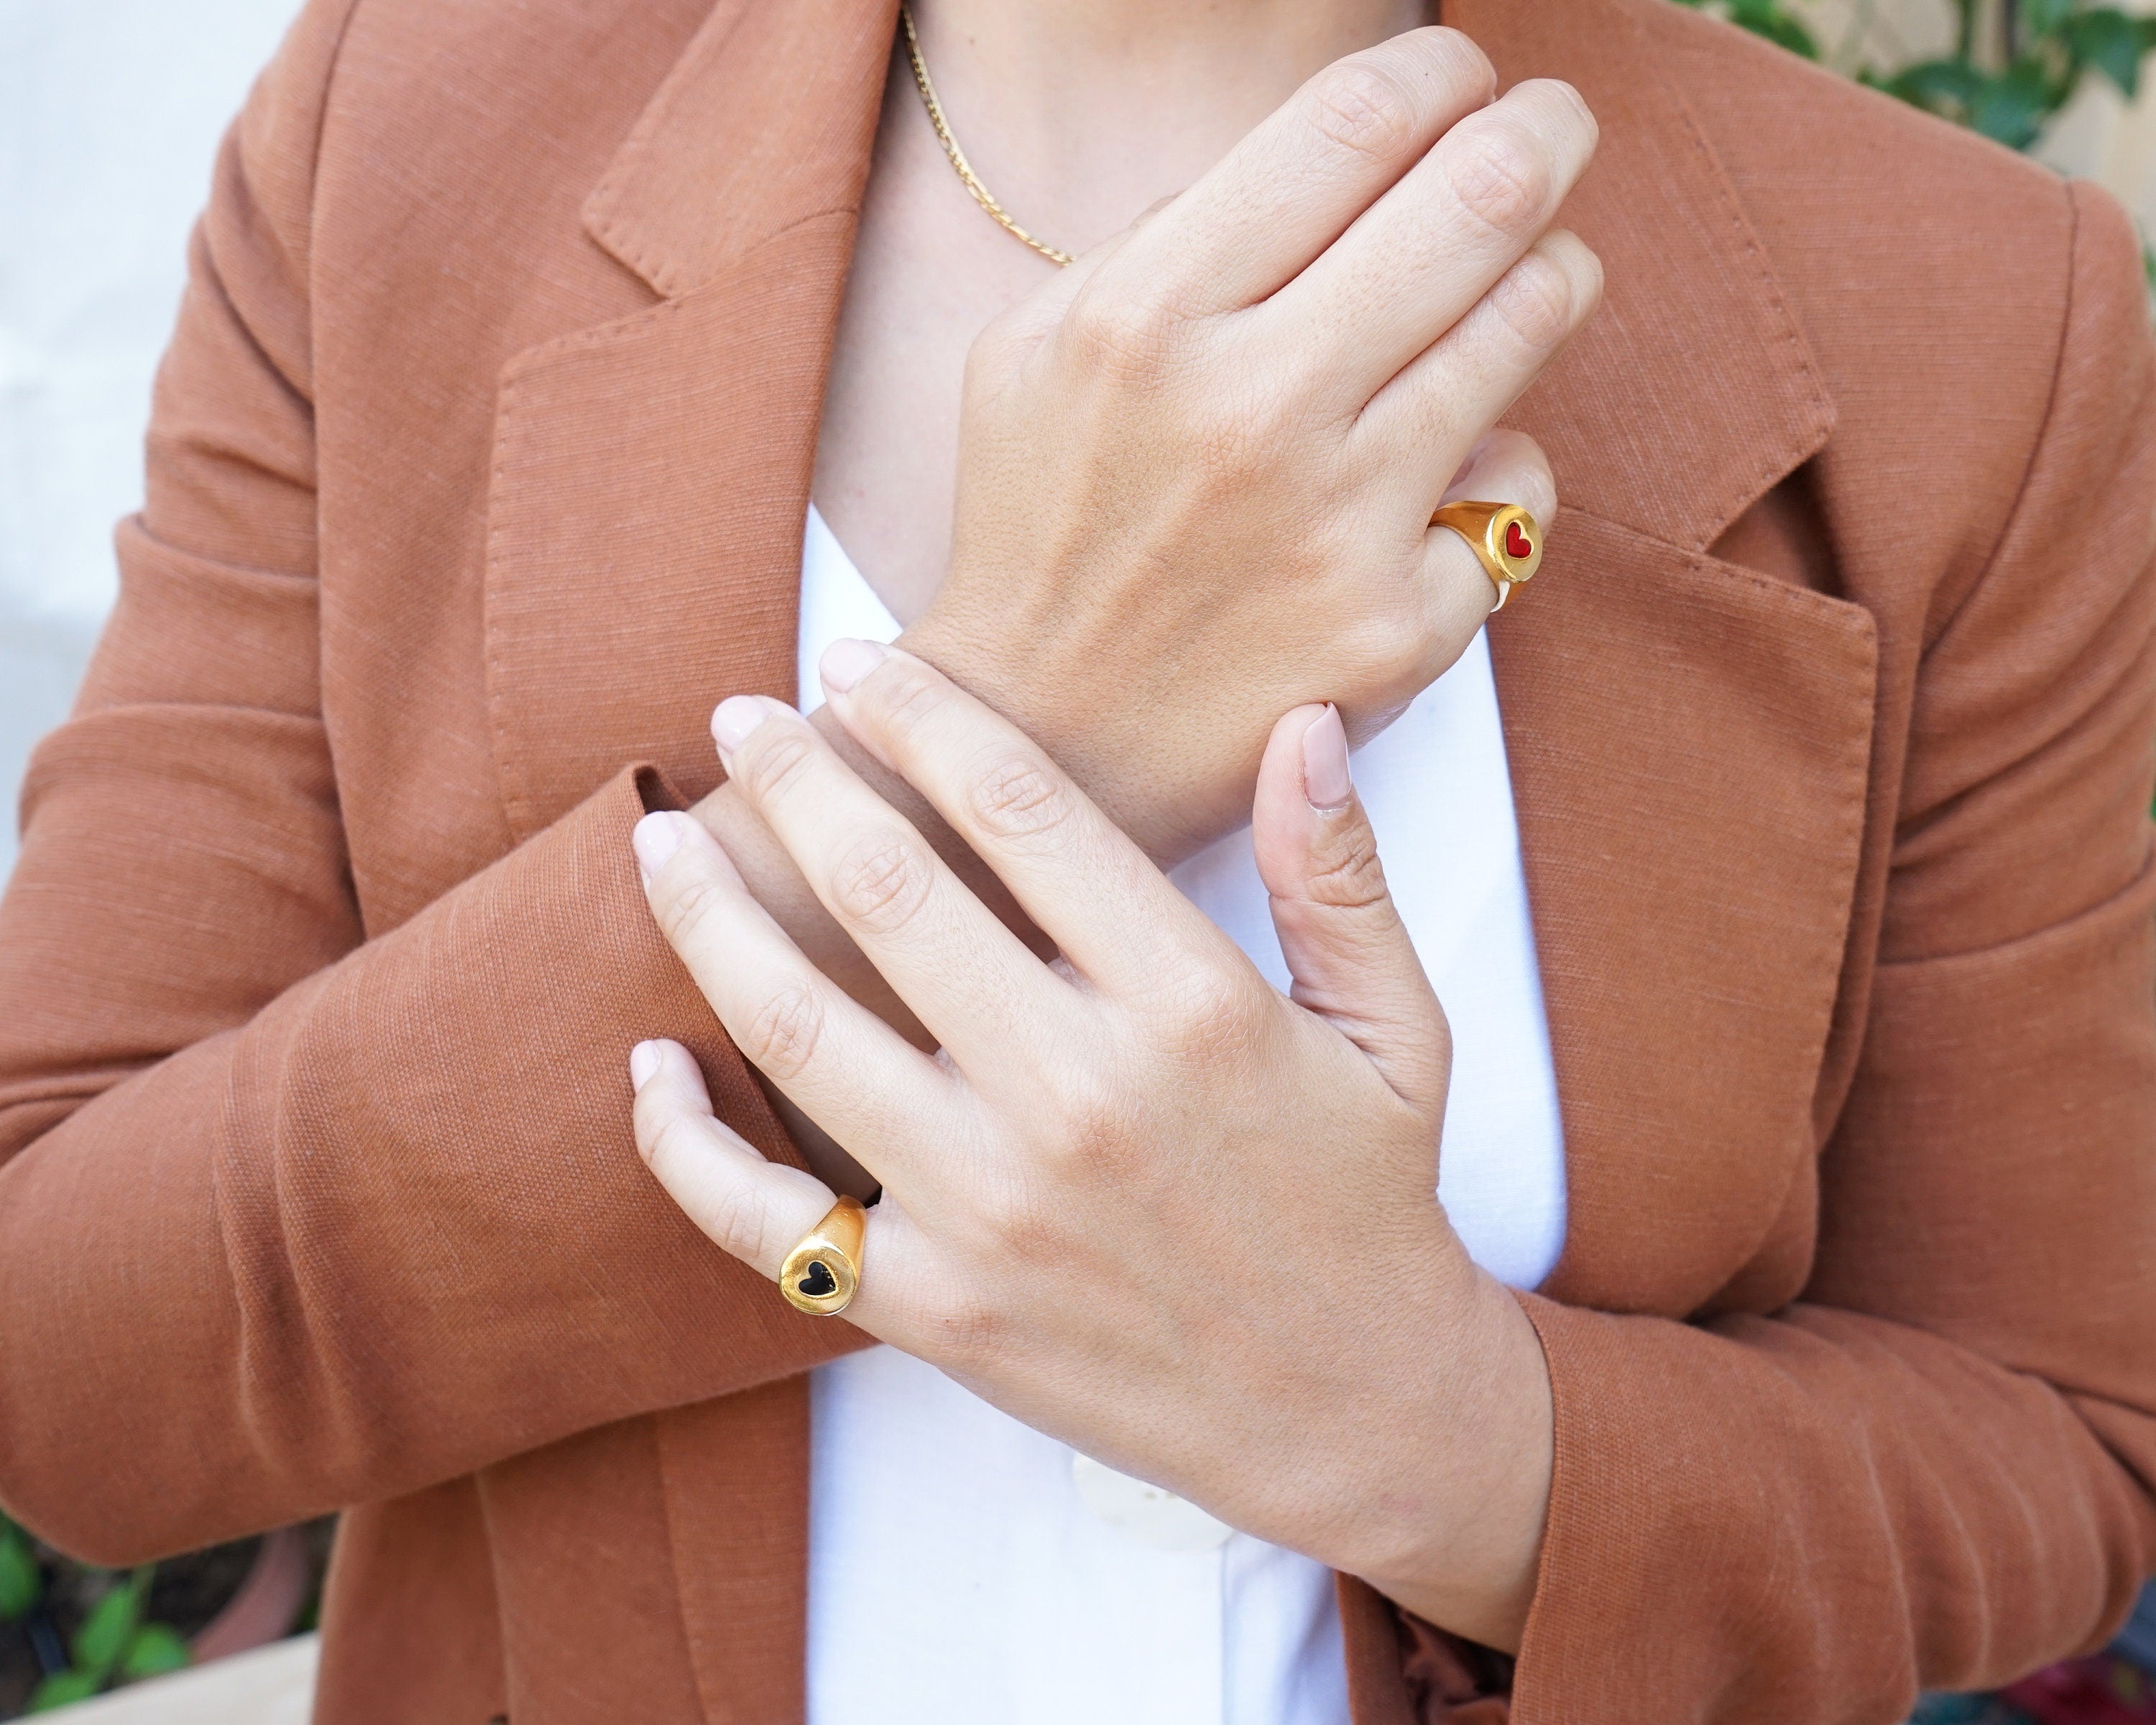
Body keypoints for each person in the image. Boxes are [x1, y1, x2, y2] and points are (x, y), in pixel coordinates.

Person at [0, 0, 2150, 1717]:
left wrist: (1456, 1445)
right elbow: (71, 1353)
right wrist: (1033, 729)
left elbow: (2060, 1435)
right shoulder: (410, 136)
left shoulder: (1969, 312)